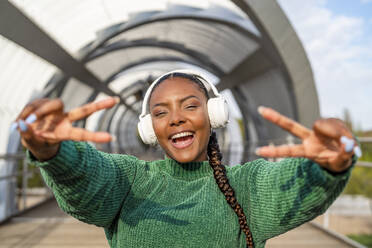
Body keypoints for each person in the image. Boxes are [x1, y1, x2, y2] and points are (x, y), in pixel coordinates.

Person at [13, 70, 360, 248]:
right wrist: (50, 150)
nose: (176, 119)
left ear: (214, 115)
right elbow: (87, 176)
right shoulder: (131, 180)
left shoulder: (247, 186)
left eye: (190, 106)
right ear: (151, 129)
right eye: (161, 113)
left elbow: (295, 186)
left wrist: (327, 165)